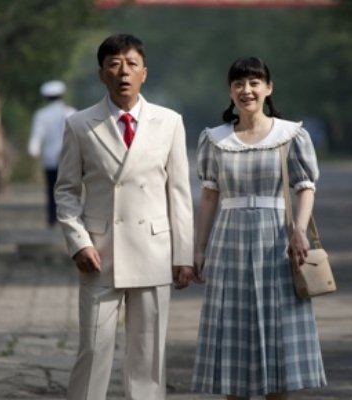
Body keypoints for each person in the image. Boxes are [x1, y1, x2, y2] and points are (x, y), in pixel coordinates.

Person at [54, 33, 194, 400]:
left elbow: (179, 193)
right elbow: (66, 191)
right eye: (114, 65)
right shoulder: (80, 125)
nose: (123, 72)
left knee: (148, 355)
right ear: (101, 74)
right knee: (93, 350)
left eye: (132, 64)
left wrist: (184, 255)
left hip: (154, 251)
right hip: (100, 253)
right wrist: (78, 243)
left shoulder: (169, 122)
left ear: (144, 73)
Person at [191, 57, 327, 399]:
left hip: (277, 240)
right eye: (239, 83)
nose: (246, 90)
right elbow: (209, 196)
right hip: (229, 241)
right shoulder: (215, 139)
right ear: (230, 91)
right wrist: (199, 248)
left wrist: (299, 230)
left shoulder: (290, 135)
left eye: (254, 82)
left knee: (278, 332)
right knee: (232, 332)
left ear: (268, 88)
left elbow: (305, 187)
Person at [28, 80, 77, 227]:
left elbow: (37, 135)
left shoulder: (41, 115)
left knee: (51, 188)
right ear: (62, 95)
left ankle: (52, 217)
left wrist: (33, 150)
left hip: (50, 158)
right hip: (69, 157)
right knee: (69, 188)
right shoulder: (71, 112)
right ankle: (68, 216)